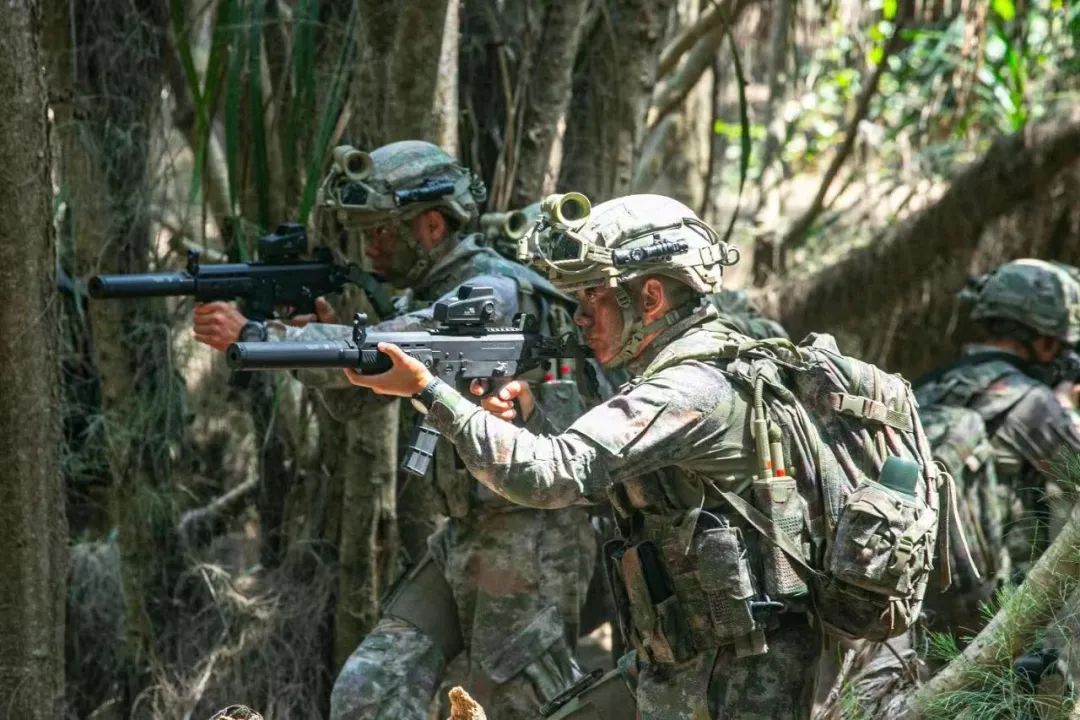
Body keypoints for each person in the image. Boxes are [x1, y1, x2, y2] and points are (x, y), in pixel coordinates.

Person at [345, 193, 834, 719]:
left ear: (650, 298)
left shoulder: (686, 389)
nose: (579, 317)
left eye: (592, 297)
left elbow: (551, 476)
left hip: (737, 681)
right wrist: (532, 417)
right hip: (690, 662)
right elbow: (607, 481)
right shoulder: (695, 370)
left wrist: (427, 390)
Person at [193, 141, 595, 720]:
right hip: (463, 533)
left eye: (382, 230)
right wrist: (316, 344)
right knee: (369, 691)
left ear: (432, 224)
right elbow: (359, 401)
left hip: (532, 537)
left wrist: (259, 336)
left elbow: (396, 348)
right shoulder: (428, 296)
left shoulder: (494, 288)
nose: (370, 247)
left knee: (520, 705)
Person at [916, 259, 1080, 587]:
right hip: (1001, 599)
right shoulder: (1030, 401)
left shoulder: (932, 385)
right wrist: (1066, 406)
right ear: (1045, 341)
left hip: (921, 585)